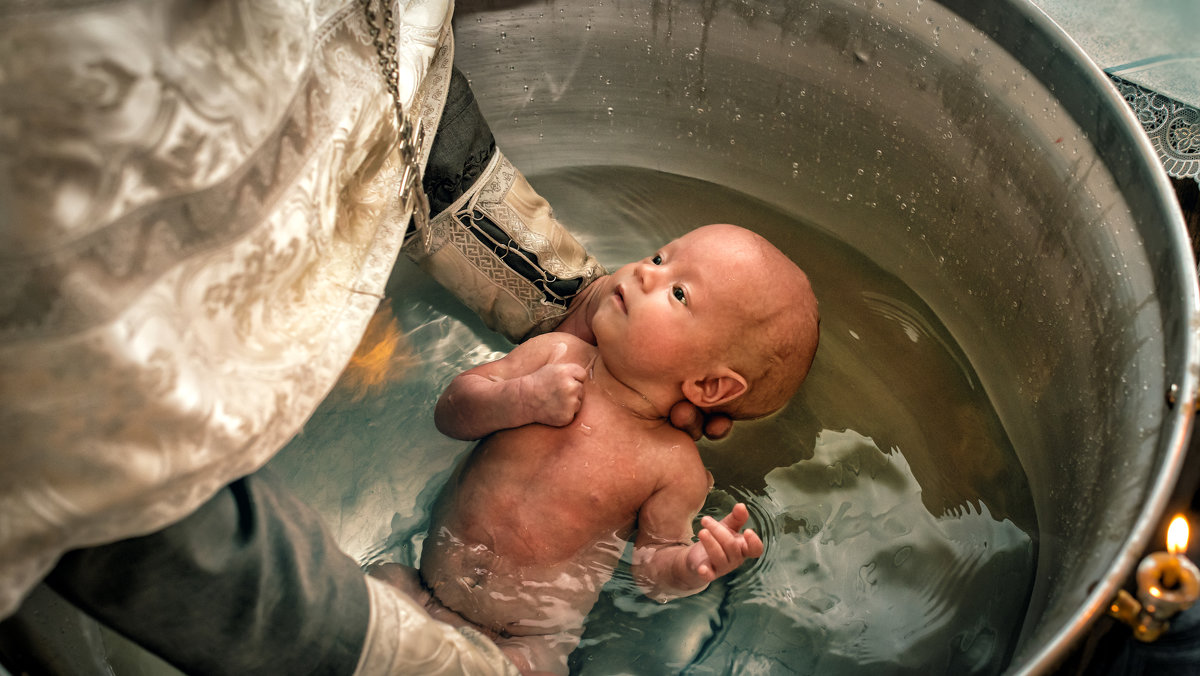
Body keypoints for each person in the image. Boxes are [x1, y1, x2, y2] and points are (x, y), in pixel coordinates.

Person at [371, 224, 820, 674]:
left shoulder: (674, 467)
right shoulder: (555, 354)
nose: (646, 272)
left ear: (709, 384)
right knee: (366, 595)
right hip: (419, 586)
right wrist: (520, 397)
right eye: (660, 257)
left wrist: (691, 566)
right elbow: (450, 413)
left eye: (679, 293)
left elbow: (651, 571)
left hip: (524, 641)